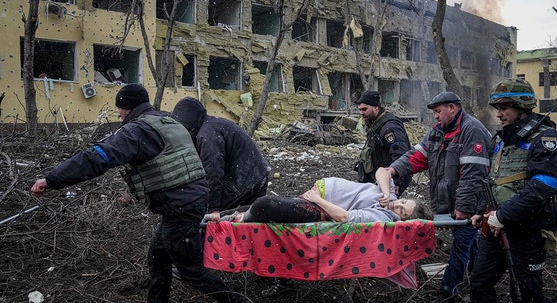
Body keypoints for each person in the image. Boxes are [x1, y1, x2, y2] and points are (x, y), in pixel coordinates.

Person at [30, 84, 248, 303]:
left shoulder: (137, 131)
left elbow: (96, 158)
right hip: (189, 201)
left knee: (191, 270)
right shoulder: (167, 122)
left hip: (181, 207)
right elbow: (164, 165)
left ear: (128, 108)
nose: (118, 113)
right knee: (158, 255)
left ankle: (237, 301)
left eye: (120, 108)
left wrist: (51, 179)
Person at [385, 91, 492, 302]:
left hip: (470, 204)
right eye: (434, 112)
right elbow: (417, 156)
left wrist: (464, 208)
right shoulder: (437, 131)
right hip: (450, 202)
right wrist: (393, 170)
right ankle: (480, 281)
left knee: (461, 246)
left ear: (452, 108)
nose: (435, 116)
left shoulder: (472, 130)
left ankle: (448, 291)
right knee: (470, 244)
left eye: (438, 111)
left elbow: (473, 175)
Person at [469, 79, 557, 303]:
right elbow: (494, 180)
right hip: (494, 225)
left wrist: (503, 216)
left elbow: (542, 188)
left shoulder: (546, 139)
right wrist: (479, 210)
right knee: (479, 283)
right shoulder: (502, 140)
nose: (499, 114)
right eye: (497, 108)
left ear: (522, 106)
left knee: (525, 293)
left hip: (528, 228)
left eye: (504, 108)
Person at [209, 168, 432, 223]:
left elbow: (345, 217)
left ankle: (230, 220)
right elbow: (382, 171)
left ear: (401, 220)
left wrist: (317, 200)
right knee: (259, 204)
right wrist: (386, 192)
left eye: (402, 211)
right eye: (402, 202)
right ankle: (215, 216)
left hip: (320, 207)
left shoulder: (383, 217)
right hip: (319, 194)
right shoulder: (389, 197)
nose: (397, 206)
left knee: (263, 205)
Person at [171, 97, 271, 212]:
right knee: (247, 220)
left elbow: (213, 172)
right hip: (256, 174)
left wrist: (213, 208)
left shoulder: (207, 135)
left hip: (246, 178)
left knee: (209, 216)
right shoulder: (211, 125)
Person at [354, 90, 412, 196]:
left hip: (390, 179)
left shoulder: (390, 127)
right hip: (380, 177)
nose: (361, 113)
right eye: (360, 110)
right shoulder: (375, 124)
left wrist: (395, 182)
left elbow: (400, 155)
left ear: (376, 107)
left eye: (364, 109)